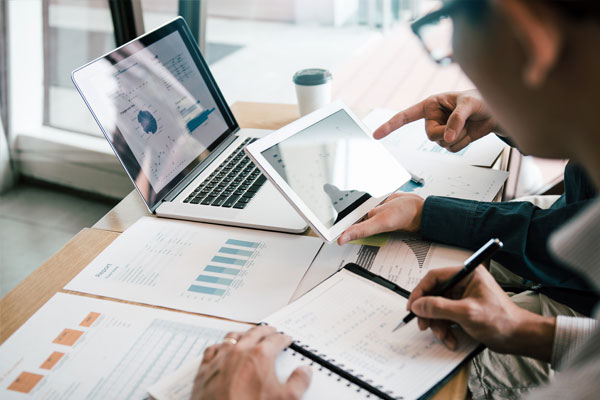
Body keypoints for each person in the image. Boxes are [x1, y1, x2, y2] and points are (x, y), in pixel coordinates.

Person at [191, 1, 600, 399]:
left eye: (448, 14)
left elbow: (556, 244)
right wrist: (520, 330)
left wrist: (428, 213)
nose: (453, 54)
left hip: (576, 301)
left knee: (414, 360)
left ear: (530, 37)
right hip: (575, 309)